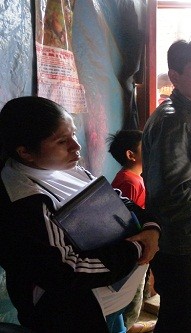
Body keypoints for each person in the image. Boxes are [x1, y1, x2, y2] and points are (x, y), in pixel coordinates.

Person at [0, 96, 160, 333]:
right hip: (72, 317)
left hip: (108, 297)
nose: (77, 146)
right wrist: (137, 248)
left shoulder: (68, 168)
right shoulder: (24, 202)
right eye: (62, 141)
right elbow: (68, 272)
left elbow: (117, 199)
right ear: (25, 152)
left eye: (73, 134)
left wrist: (150, 227)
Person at [142, 37, 191, 333]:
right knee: (189, 320)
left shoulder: (188, 115)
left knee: (180, 315)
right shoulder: (175, 120)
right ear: (175, 76)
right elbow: (171, 193)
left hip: (186, 238)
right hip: (182, 241)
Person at [107, 130, 156, 333]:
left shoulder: (134, 177)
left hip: (135, 253)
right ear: (130, 155)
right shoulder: (129, 182)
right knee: (130, 298)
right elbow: (128, 224)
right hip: (132, 255)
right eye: (146, 145)